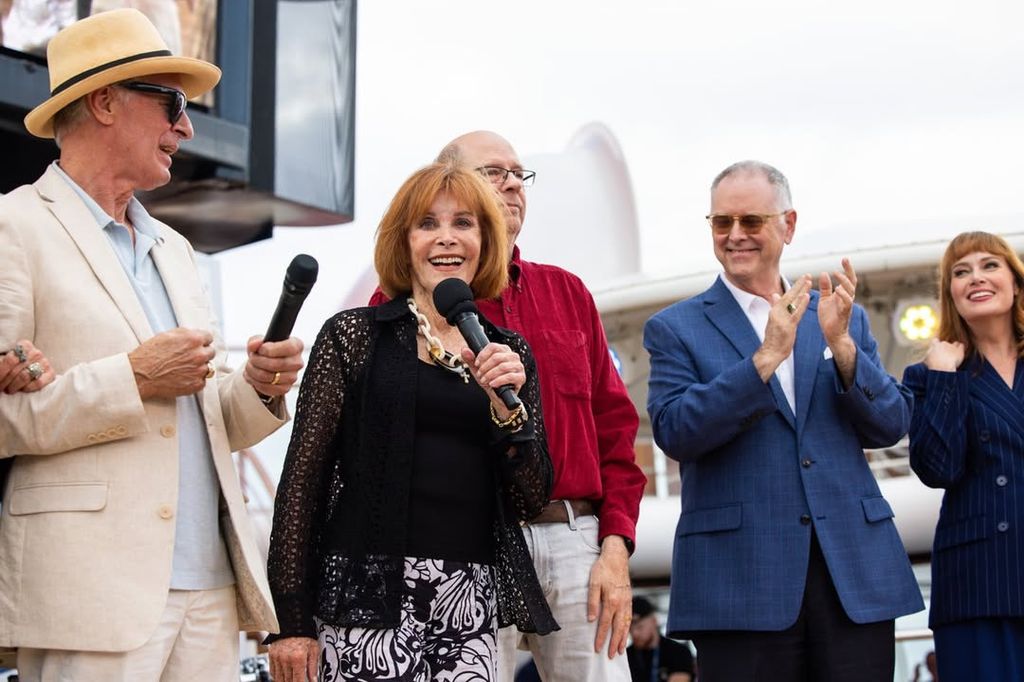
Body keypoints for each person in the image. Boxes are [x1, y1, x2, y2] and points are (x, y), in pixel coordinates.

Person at [0, 10, 305, 680]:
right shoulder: (13, 227)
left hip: (211, 596)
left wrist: (256, 385)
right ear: (104, 102)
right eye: (172, 102)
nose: (186, 127)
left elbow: (205, 419)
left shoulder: (176, 250)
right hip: (91, 596)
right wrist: (133, 379)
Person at [371, 131, 646, 681]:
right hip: (464, 543)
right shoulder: (399, 305)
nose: (513, 184)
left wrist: (615, 550)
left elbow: (615, 432)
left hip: (576, 541)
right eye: (493, 173)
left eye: (519, 174)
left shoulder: (569, 293)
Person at [267, 163, 557, 682]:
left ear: (485, 240)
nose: (446, 238)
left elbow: (530, 497)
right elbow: (301, 485)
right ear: (405, 243)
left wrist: (507, 413)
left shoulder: (509, 353)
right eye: (427, 223)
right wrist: (291, 621)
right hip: (365, 596)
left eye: (464, 223)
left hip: (468, 601)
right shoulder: (352, 338)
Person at [643, 160, 923, 681]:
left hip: (851, 574)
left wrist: (842, 348)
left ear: (788, 225)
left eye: (751, 221)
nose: (735, 235)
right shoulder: (674, 328)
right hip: (739, 581)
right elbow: (676, 431)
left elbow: (889, 425)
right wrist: (764, 360)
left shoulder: (842, 315)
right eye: (721, 223)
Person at [903, 231, 1024, 682]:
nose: (976, 277)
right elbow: (938, 469)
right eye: (961, 271)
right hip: (979, 581)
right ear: (950, 292)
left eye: (989, 265)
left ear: (1015, 282)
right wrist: (944, 377)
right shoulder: (929, 374)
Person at [626, 597, 693, 682]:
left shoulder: (678, 652)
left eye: (640, 627)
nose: (634, 633)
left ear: (654, 621)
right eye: (630, 629)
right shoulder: (627, 656)